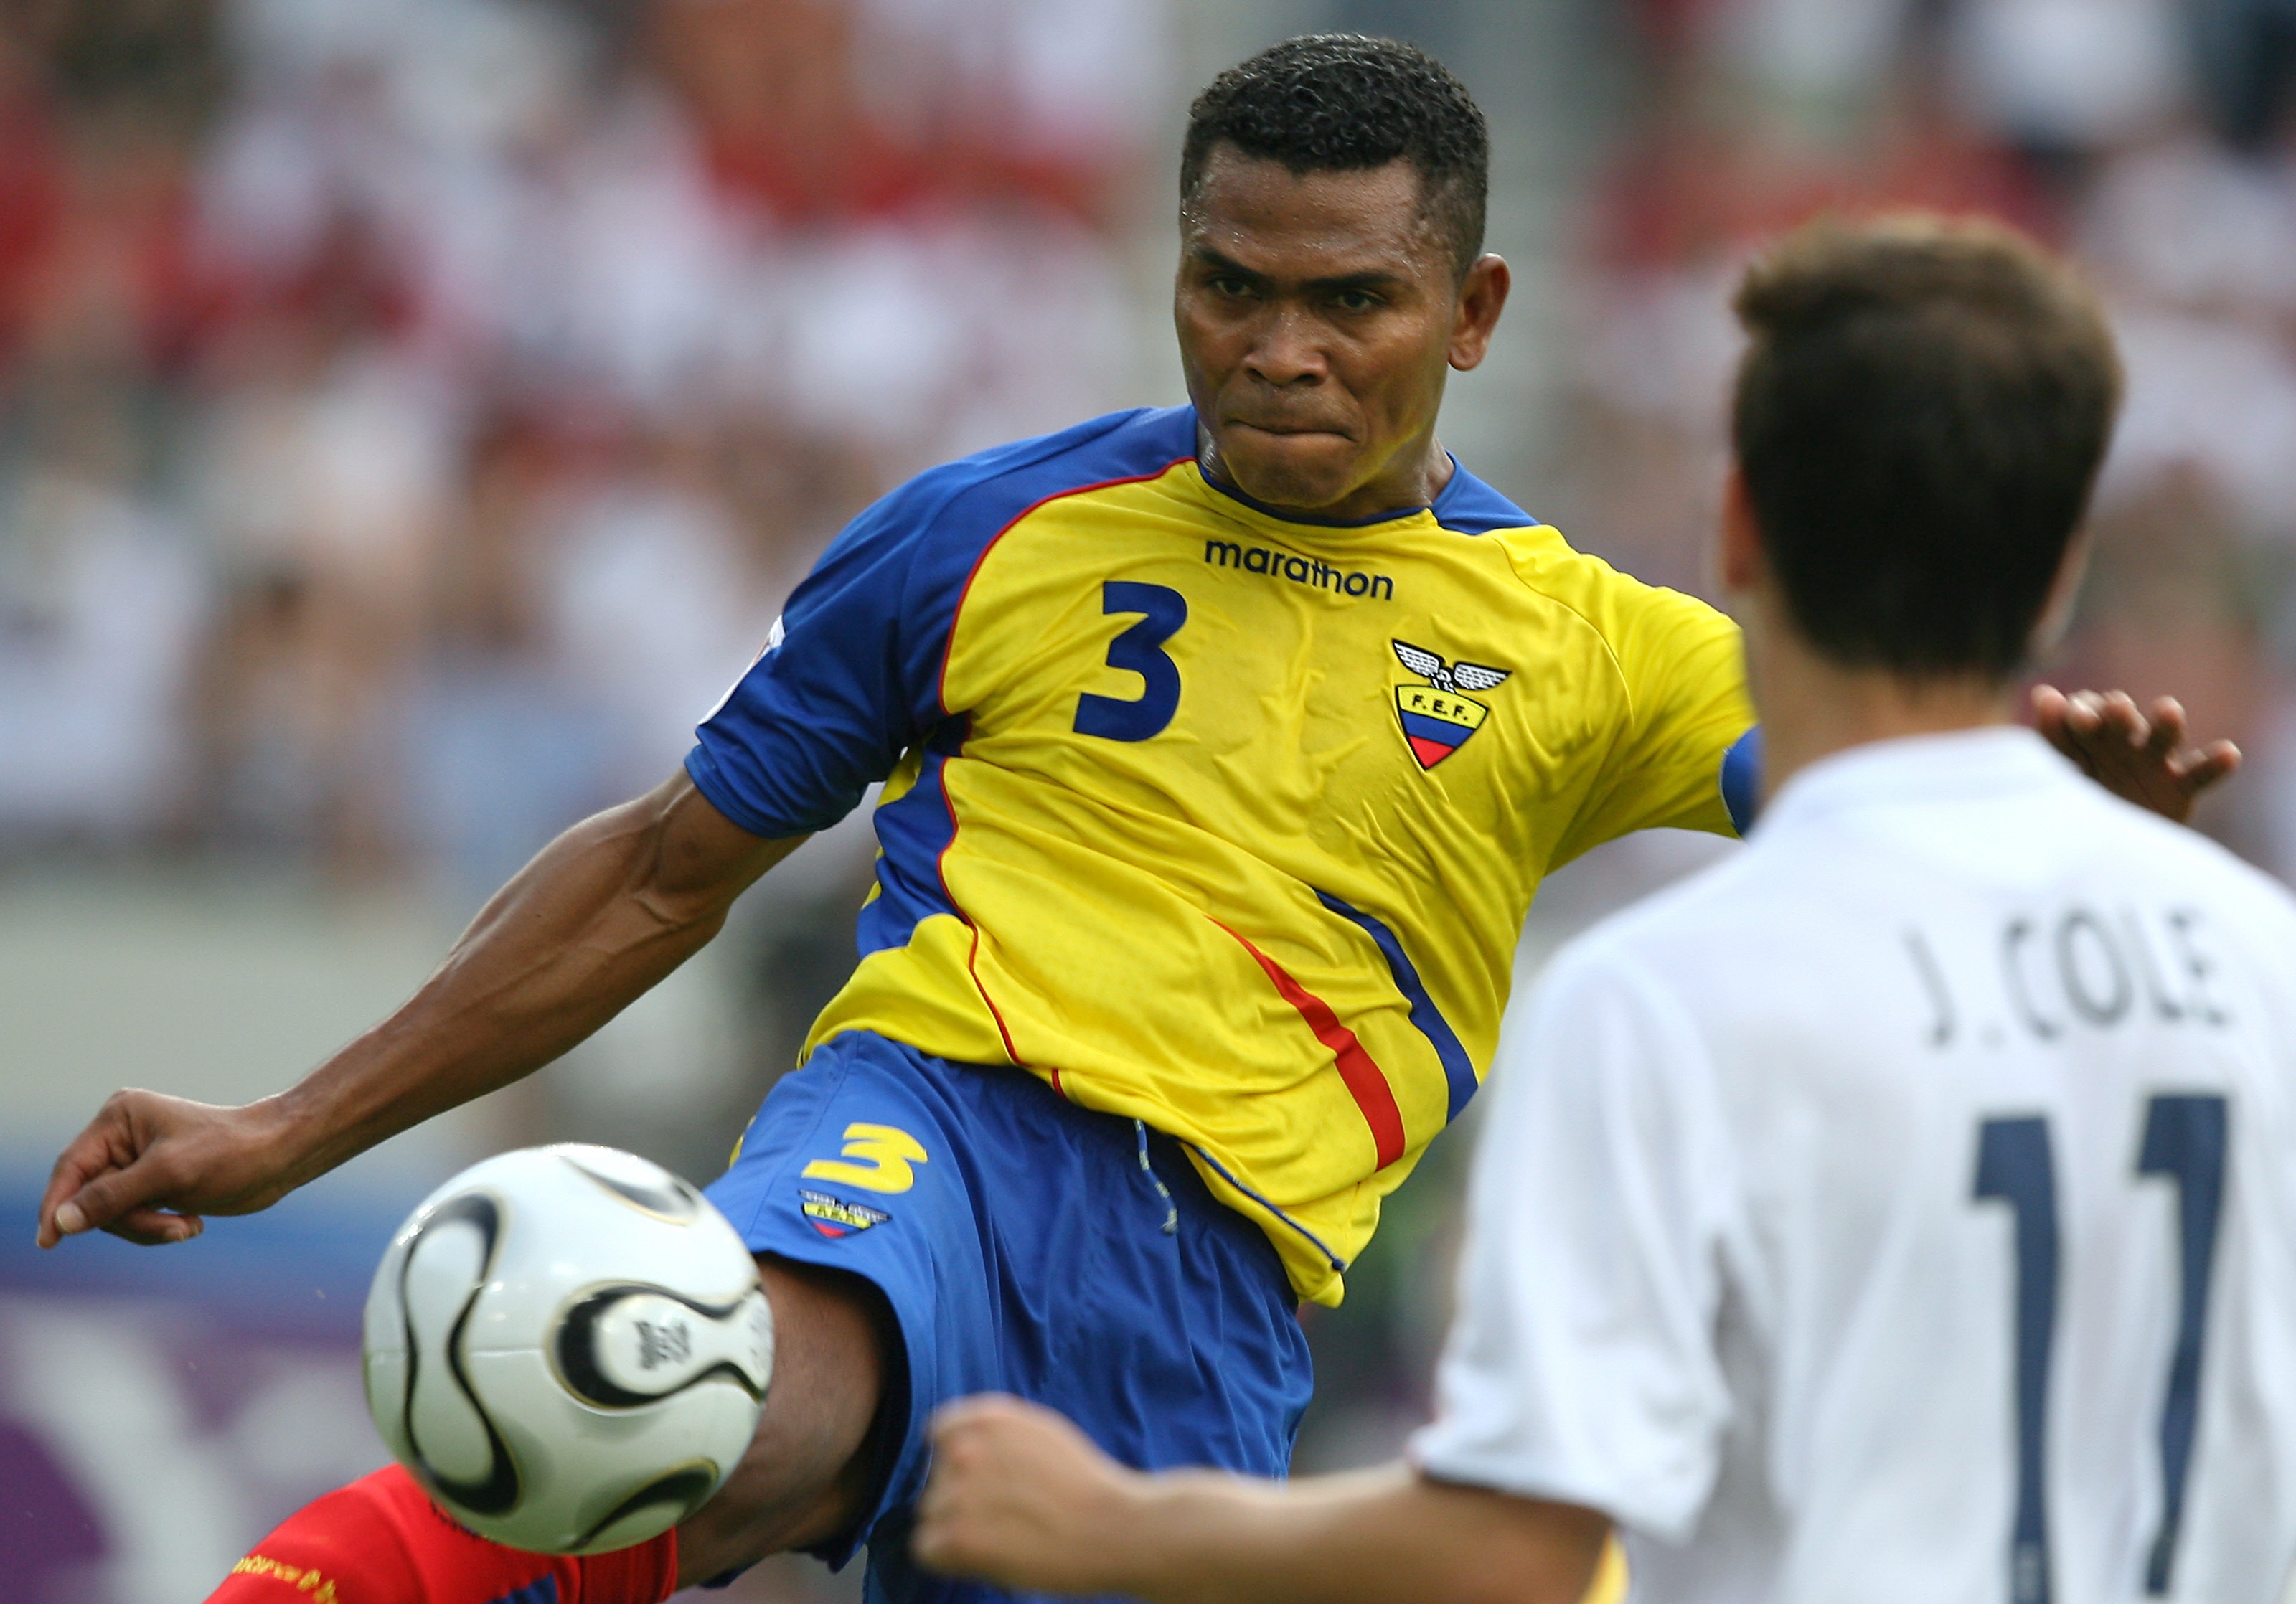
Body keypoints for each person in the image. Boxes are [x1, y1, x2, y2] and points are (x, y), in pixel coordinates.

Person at [42, 40, 2227, 1604]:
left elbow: (1887, 785)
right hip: (940, 1121)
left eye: (1350, 300)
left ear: (1472, 313)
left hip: (1221, 1305)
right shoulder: (984, 534)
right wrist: (286, 1130)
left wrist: (2063, 811)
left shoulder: (1592, 645)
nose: (1278, 349)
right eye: (1228, 284)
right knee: (695, 1397)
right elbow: (657, 868)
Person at [908, 215, 2296, 1604]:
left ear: (1737, 528)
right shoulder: (2260, 959)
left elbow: (1517, 1549)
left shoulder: (1664, 999)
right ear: (2062, 569)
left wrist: (1107, 1523)